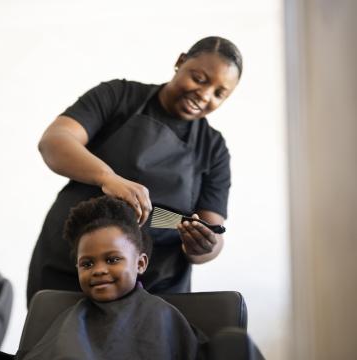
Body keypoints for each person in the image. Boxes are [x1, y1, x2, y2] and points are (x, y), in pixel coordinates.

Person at [27, 36, 243, 304]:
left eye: (219, 93)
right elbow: (55, 141)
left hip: (155, 286)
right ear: (180, 62)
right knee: (55, 343)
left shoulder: (213, 148)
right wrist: (108, 178)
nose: (205, 94)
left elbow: (213, 229)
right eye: (199, 78)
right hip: (69, 266)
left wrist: (203, 246)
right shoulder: (118, 96)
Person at [17, 196, 204, 360]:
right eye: (87, 264)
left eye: (112, 259)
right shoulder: (71, 319)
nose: (98, 270)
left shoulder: (162, 316)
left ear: (140, 263)